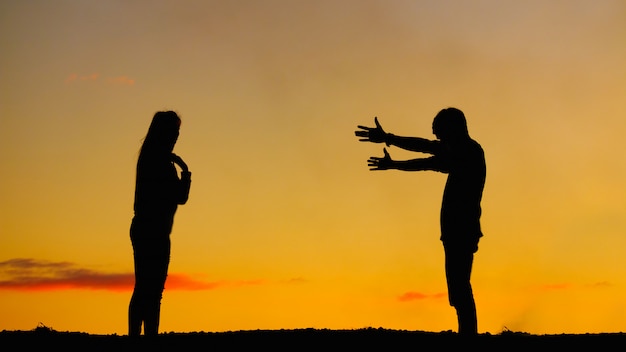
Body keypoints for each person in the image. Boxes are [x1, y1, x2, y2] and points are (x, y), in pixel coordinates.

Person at [355, 107, 485, 335]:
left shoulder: (468, 152)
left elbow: (427, 160)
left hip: (462, 230)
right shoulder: (462, 149)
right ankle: (467, 333)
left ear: (453, 129)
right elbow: (424, 146)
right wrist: (388, 139)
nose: (438, 138)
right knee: (458, 287)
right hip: (457, 229)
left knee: (460, 287)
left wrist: (394, 162)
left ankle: (469, 335)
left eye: (441, 132)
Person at [128, 111, 192, 337]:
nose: (175, 136)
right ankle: (146, 338)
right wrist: (185, 171)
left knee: (146, 289)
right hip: (152, 230)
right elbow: (180, 197)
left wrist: (182, 171)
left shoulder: (151, 158)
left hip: (149, 229)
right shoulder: (160, 161)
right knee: (150, 291)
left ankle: (140, 337)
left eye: (177, 132)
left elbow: (177, 197)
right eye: (172, 131)